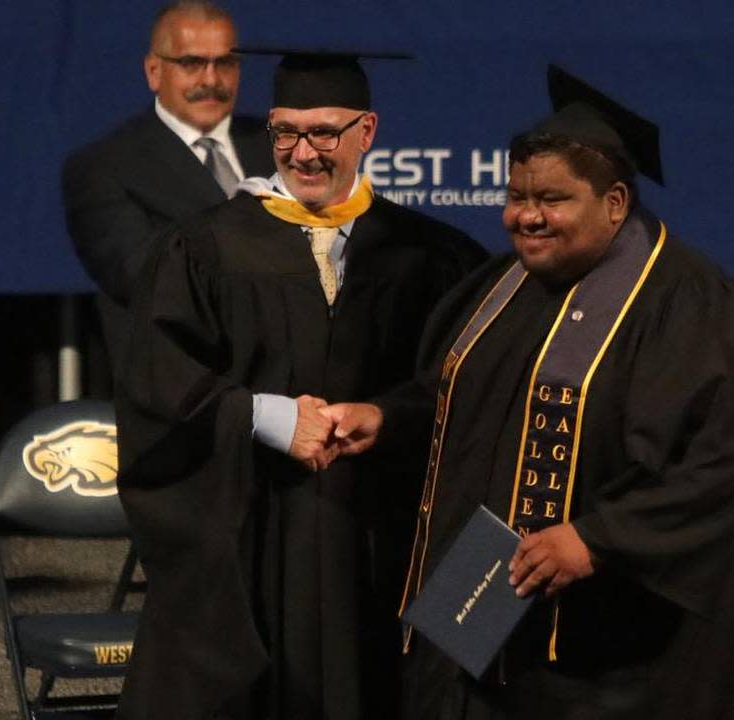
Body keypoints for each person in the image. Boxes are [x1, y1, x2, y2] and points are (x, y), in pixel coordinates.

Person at [323, 65, 734, 720]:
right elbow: (458, 401)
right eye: (516, 197)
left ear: (616, 204)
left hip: (604, 652)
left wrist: (598, 539)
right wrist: (387, 417)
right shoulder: (500, 285)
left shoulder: (695, 308)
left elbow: (725, 467)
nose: (527, 218)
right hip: (478, 615)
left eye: (553, 200)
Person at [112, 50, 486, 719]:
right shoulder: (207, 249)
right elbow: (155, 381)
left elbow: (474, 383)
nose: (303, 153)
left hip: (380, 538)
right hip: (256, 532)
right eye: (286, 132)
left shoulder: (430, 253)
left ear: (367, 132)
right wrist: (260, 415)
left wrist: (388, 414)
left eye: (325, 133)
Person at [62, 0, 272, 371]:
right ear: (154, 71)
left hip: (292, 385)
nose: (211, 80)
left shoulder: (279, 147)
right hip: (182, 388)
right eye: (192, 63)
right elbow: (146, 278)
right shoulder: (104, 166)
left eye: (225, 63)